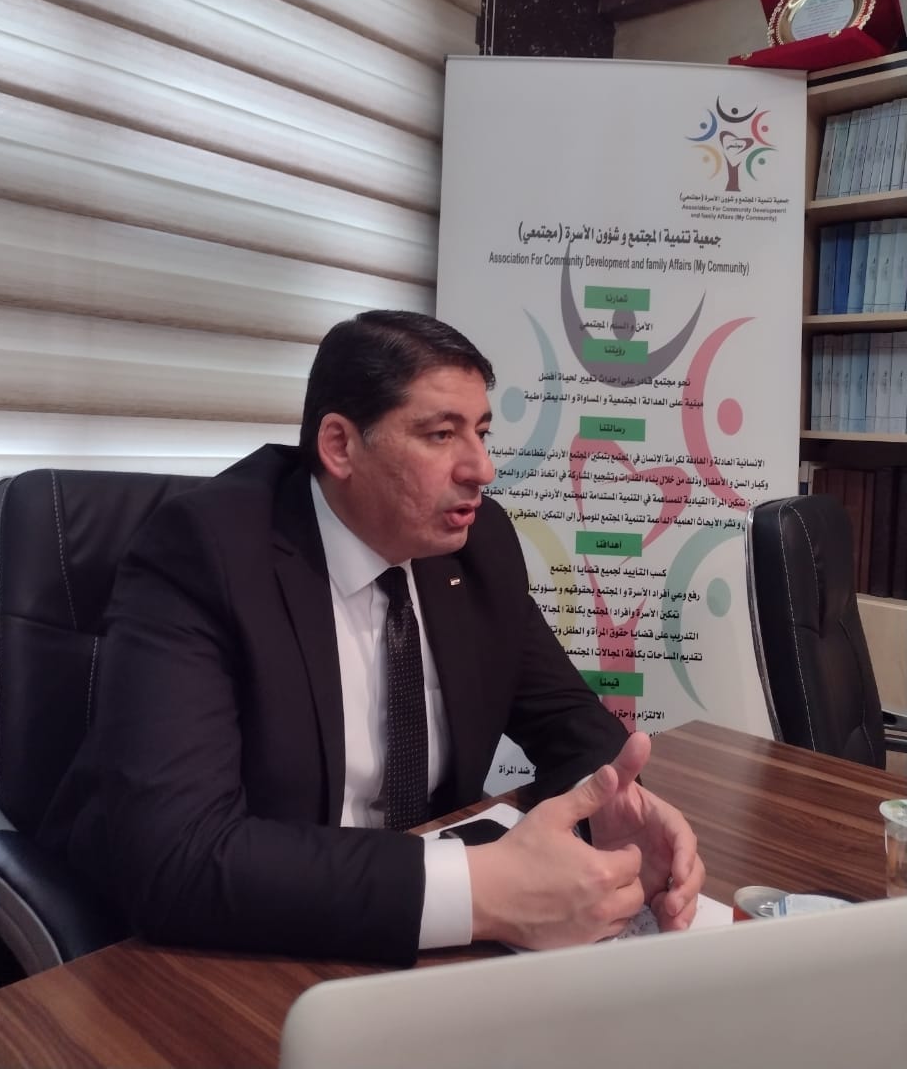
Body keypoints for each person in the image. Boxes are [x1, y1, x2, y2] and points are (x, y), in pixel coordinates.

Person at [41, 310, 704, 965]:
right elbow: (180, 858)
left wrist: (614, 806)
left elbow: (566, 720)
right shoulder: (204, 553)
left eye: (481, 432)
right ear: (339, 446)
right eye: (441, 434)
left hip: (409, 936)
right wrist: (480, 891)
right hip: (208, 950)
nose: (481, 468)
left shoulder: (477, 544)